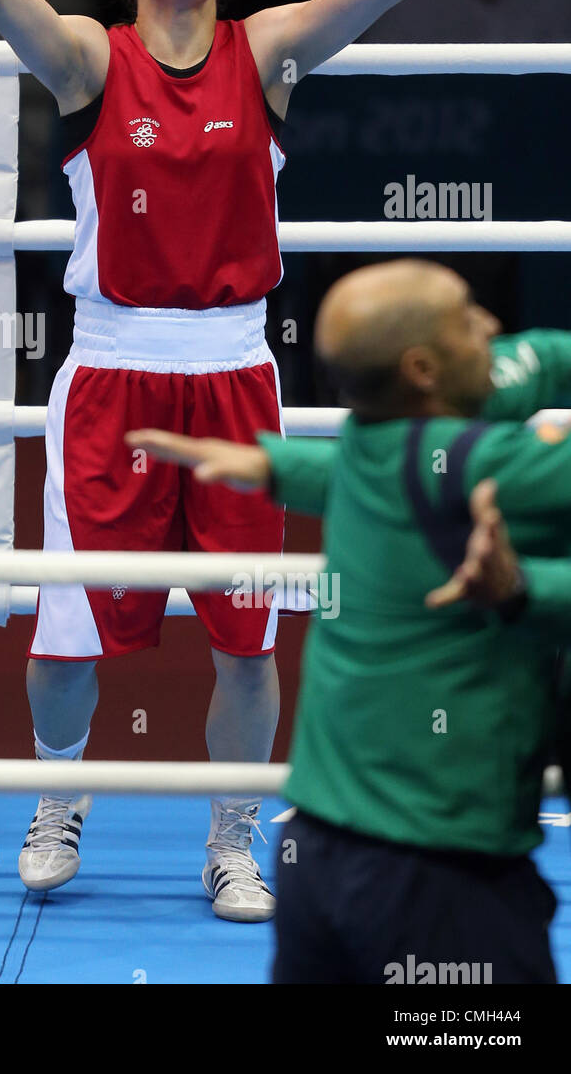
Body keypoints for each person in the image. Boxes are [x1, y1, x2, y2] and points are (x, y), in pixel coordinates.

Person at [0, 0, 541, 918]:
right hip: (110, 379)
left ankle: (233, 836)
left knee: (246, 633)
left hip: (234, 376)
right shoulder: (86, 58)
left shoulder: (268, 48)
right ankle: (56, 795)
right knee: (70, 629)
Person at [129, 259, 571, 981]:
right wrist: (524, 591)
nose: (493, 329)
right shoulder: (504, 465)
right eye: (468, 318)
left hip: (318, 853)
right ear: (423, 367)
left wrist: (269, 463)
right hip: (441, 875)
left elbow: (526, 366)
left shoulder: (370, 452)